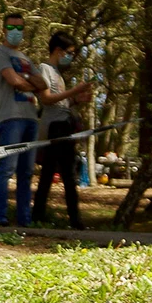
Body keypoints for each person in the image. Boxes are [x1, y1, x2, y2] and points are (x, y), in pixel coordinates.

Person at [31, 31, 94, 229]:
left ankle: (41, 216)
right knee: (63, 173)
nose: (70, 57)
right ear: (58, 50)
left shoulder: (57, 73)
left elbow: (60, 101)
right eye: (69, 53)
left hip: (64, 124)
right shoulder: (45, 69)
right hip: (54, 128)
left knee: (59, 173)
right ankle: (72, 220)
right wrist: (73, 91)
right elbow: (47, 99)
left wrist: (76, 99)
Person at [0, 12, 45, 227]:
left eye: (19, 28)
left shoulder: (25, 58)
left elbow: (43, 84)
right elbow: (14, 81)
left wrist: (27, 79)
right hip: (10, 117)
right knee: (7, 169)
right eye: (11, 28)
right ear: (4, 29)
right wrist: (28, 81)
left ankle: (24, 219)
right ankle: (0, 217)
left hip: (31, 118)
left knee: (27, 172)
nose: (15, 32)